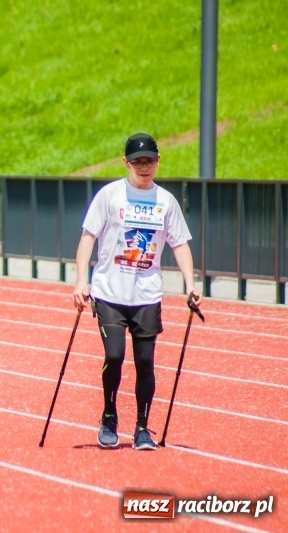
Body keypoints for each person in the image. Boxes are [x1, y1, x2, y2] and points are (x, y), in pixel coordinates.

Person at [72, 132, 202, 451]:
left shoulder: (165, 201)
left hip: (146, 295)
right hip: (109, 292)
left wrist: (190, 283)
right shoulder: (110, 196)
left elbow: (180, 243)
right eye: (137, 162)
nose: (144, 168)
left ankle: (143, 428)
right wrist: (80, 280)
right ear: (125, 163)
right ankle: (108, 416)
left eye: (150, 161)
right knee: (114, 356)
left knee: (145, 364)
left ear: (159, 161)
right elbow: (88, 237)